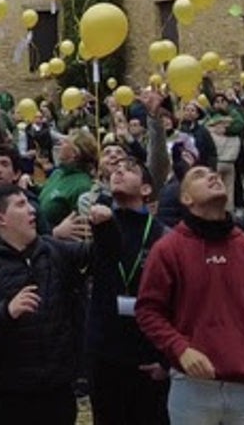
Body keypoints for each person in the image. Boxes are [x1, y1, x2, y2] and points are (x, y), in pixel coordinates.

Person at [0, 184, 91, 425]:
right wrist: (5, 311)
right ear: (1, 218)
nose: (32, 210)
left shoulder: (53, 250)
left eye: (29, 203)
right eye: (21, 204)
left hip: (56, 395)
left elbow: (103, 257)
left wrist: (106, 225)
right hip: (3, 399)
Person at [136, 165, 244, 423]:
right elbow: (148, 310)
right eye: (200, 175)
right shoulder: (168, 249)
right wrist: (180, 348)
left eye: (214, 173)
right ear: (186, 198)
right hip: (191, 385)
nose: (213, 176)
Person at [85, 158, 170, 425]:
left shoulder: (162, 236)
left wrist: (167, 360)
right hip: (104, 354)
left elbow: (177, 299)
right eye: (116, 168)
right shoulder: (95, 226)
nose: (119, 171)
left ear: (146, 189)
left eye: (129, 169)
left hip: (148, 356)